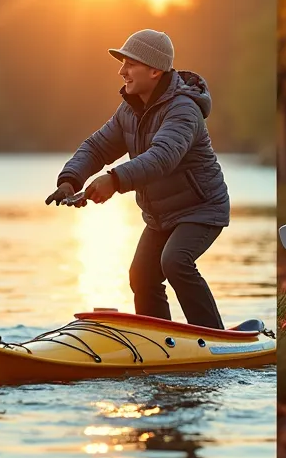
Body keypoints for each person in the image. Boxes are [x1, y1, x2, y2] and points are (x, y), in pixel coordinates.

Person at [46, 29, 231, 328]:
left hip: (202, 208)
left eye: (129, 64)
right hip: (161, 214)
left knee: (175, 262)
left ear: (155, 70)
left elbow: (162, 157)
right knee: (141, 275)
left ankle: (214, 338)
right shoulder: (129, 110)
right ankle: (159, 340)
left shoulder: (184, 109)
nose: (122, 71)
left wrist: (114, 181)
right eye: (122, 64)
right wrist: (70, 179)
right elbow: (98, 146)